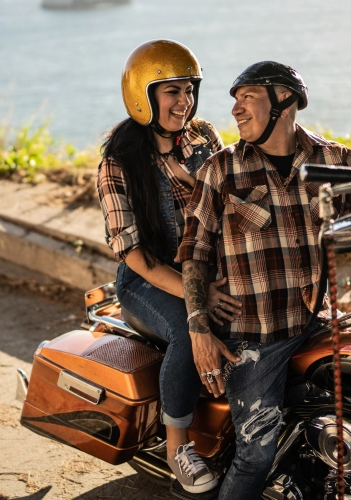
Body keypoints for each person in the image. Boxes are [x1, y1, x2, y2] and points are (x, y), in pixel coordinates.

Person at [175, 61, 351, 499]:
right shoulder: (221, 170)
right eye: (234, 102)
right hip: (254, 339)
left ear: (284, 100)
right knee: (254, 454)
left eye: (247, 98)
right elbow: (194, 253)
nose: (236, 111)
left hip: (314, 323)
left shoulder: (334, 161)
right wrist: (198, 327)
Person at [96, 39, 242, 494]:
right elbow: (134, 256)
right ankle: (177, 446)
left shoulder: (204, 138)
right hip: (146, 280)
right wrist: (198, 294)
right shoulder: (119, 163)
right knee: (186, 325)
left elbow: (235, 203)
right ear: (145, 96)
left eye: (190, 90)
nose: (185, 102)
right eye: (172, 92)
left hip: (208, 268)